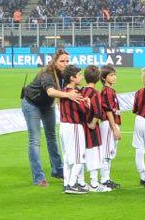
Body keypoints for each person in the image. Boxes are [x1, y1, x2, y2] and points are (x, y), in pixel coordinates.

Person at [20, 49, 88, 186]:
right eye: (62, 61)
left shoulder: (64, 74)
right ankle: (38, 177)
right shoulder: (47, 73)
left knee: (51, 137)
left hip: (47, 105)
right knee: (35, 140)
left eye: (67, 61)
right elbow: (51, 92)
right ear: (55, 61)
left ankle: (58, 170)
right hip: (31, 103)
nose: (65, 63)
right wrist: (68, 95)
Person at [58, 64, 89, 194]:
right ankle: (71, 185)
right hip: (74, 126)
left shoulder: (63, 92)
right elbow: (83, 110)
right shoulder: (74, 93)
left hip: (63, 126)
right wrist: (87, 104)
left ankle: (66, 184)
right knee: (79, 157)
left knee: (67, 157)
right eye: (79, 75)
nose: (81, 77)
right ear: (72, 78)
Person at [79, 65, 110, 192]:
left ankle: (80, 182)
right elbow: (98, 111)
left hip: (80, 127)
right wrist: (92, 123)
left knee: (81, 155)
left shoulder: (80, 90)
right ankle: (94, 184)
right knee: (94, 154)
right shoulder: (95, 93)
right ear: (98, 78)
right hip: (91, 129)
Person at [98, 65, 121, 189]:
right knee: (106, 153)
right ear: (103, 78)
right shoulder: (106, 91)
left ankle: (107, 178)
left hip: (111, 124)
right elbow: (108, 110)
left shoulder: (110, 90)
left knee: (110, 152)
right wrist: (114, 127)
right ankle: (104, 179)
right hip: (108, 124)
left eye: (114, 75)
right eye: (111, 75)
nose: (114, 77)